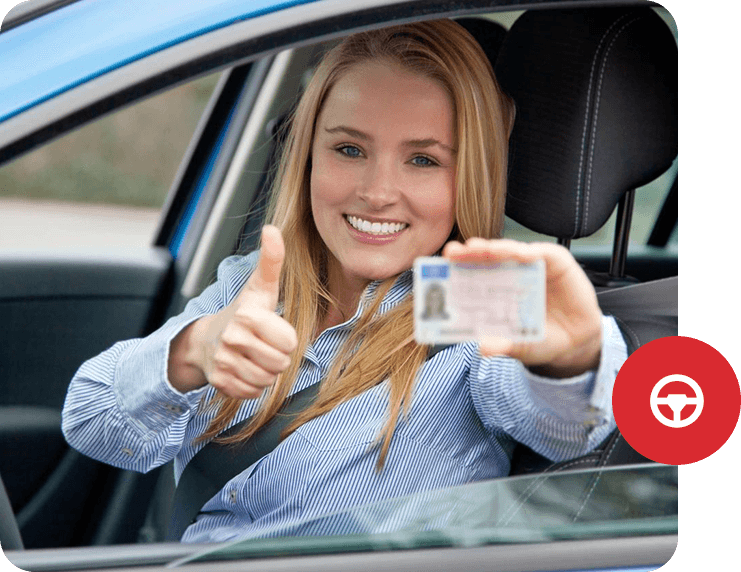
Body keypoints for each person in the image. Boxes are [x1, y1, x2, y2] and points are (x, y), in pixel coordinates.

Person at [62, 19, 627, 543]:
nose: (378, 191)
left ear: (471, 175)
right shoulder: (252, 288)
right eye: (349, 149)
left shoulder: (470, 298)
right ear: (308, 155)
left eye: (424, 161)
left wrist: (574, 358)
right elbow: (90, 420)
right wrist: (192, 352)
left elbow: (567, 427)